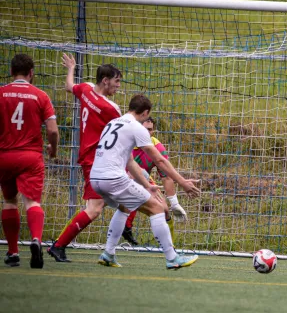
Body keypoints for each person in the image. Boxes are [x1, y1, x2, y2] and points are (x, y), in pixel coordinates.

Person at [90, 94, 200, 269]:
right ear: (146, 112)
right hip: (113, 178)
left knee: (125, 206)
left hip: (95, 178)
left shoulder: (113, 123)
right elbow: (160, 161)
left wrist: (147, 185)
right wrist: (182, 181)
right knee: (156, 208)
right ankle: (172, 258)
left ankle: (108, 254)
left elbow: (129, 161)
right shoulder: (136, 127)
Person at [47, 54, 122, 263]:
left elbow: (70, 86)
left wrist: (71, 67)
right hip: (97, 160)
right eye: (116, 82)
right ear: (105, 80)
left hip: (89, 157)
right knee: (94, 209)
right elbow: (123, 134)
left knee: (121, 199)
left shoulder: (87, 89)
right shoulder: (111, 108)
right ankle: (59, 246)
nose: (118, 87)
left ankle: (121, 235)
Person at [0, 54, 59, 268]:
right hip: (30, 156)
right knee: (32, 202)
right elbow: (52, 129)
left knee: (9, 201)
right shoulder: (40, 96)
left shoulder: (1, 93)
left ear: (11, 71)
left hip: (4, 155)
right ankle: (36, 239)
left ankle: (13, 252)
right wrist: (53, 147)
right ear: (31, 73)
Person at [122, 117, 187, 245]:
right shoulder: (125, 141)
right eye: (145, 129)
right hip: (116, 177)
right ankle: (124, 229)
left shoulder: (157, 147)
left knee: (164, 209)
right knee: (95, 207)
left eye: (150, 130)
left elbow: (166, 176)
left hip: (142, 178)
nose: (148, 133)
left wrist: (174, 203)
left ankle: (170, 247)